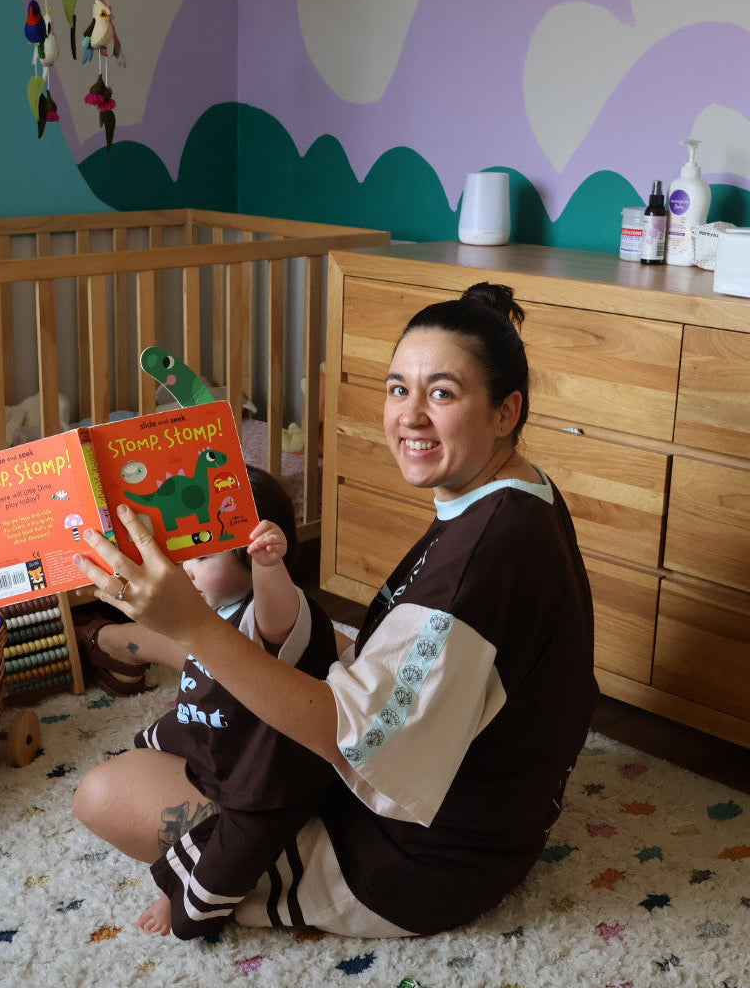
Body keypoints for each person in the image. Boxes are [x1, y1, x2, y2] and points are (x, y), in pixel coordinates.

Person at [72, 282, 598, 939]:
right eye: (398, 389)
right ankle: (138, 645)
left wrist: (197, 625)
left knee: (105, 793)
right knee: (211, 713)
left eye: (442, 392)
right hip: (489, 812)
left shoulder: (486, 556)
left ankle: (143, 646)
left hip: (417, 862)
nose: (408, 416)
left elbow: (347, 730)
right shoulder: (518, 493)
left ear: (505, 412)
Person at [74, 466, 339, 938]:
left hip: (261, 775)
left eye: (201, 556)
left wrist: (268, 566)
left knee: (204, 893)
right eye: (181, 555)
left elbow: (279, 612)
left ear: (249, 554)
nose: (184, 571)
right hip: (212, 724)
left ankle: (180, 885)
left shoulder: (267, 613)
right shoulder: (211, 605)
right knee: (152, 738)